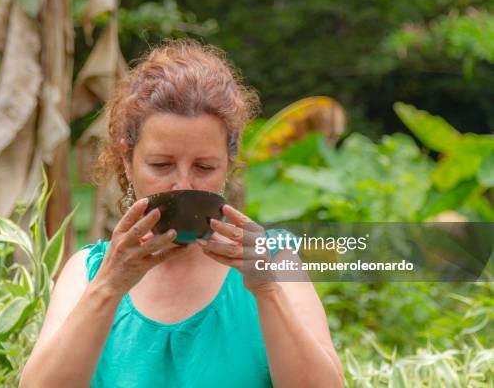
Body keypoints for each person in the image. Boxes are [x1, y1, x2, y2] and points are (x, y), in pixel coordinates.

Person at [20, 39, 343, 387]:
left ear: (228, 166)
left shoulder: (273, 259)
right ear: (128, 162)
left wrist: (268, 293)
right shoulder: (89, 272)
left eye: (204, 167)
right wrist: (110, 285)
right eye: (161, 165)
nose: (182, 184)